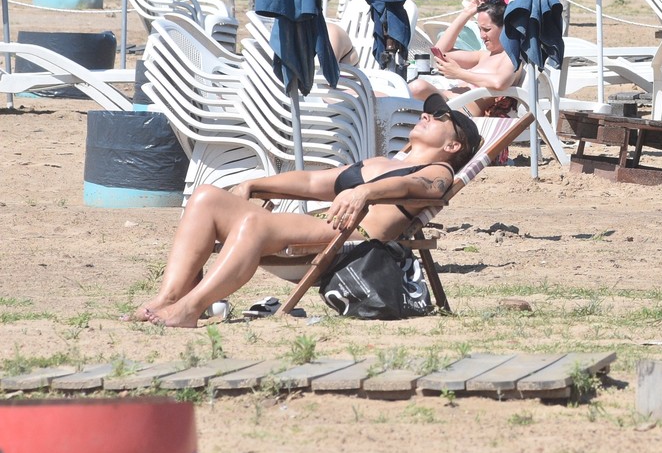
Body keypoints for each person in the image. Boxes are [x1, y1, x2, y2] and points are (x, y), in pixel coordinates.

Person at [127, 95, 481, 328]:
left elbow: (416, 189)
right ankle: (169, 297)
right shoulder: (380, 161)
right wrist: (255, 184)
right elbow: (314, 183)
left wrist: (365, 192)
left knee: (254, 222)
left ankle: (191, 307)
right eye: (429, 111)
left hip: (354, 246)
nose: (427, 114)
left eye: (440, 117)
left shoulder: (440, 173)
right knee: (206, 197)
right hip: (321, 231)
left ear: (452, 145)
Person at [410, 0, 519, 114]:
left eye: (487, 29)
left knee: (418, 87)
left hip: (459, 110)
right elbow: (440, 52)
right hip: (446, 102)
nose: (482, 35)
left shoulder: (511, 57)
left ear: (505, 28)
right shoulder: (484, 56)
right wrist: (466, 13)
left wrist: (459, 73)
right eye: (480, 29)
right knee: (393, 92)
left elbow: (500, 83)